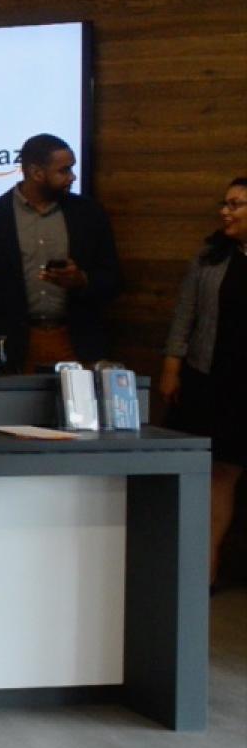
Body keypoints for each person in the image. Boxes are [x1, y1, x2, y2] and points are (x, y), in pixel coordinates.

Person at [0, 133, 121, 372]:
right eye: (63, 170)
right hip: (13, 348)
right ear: (36, 173)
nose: (72, 177)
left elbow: (114, 279)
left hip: (78, 342)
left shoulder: (89, 214)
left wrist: (82, 280)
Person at [160, 176, 246, 586]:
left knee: (228, 472)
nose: (225, 212)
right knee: (211, 474)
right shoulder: (210, 258)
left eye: (236, 205)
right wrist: (172, 367)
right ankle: (203, 572)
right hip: (208, 377)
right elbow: (184, 315)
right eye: (224, 203)